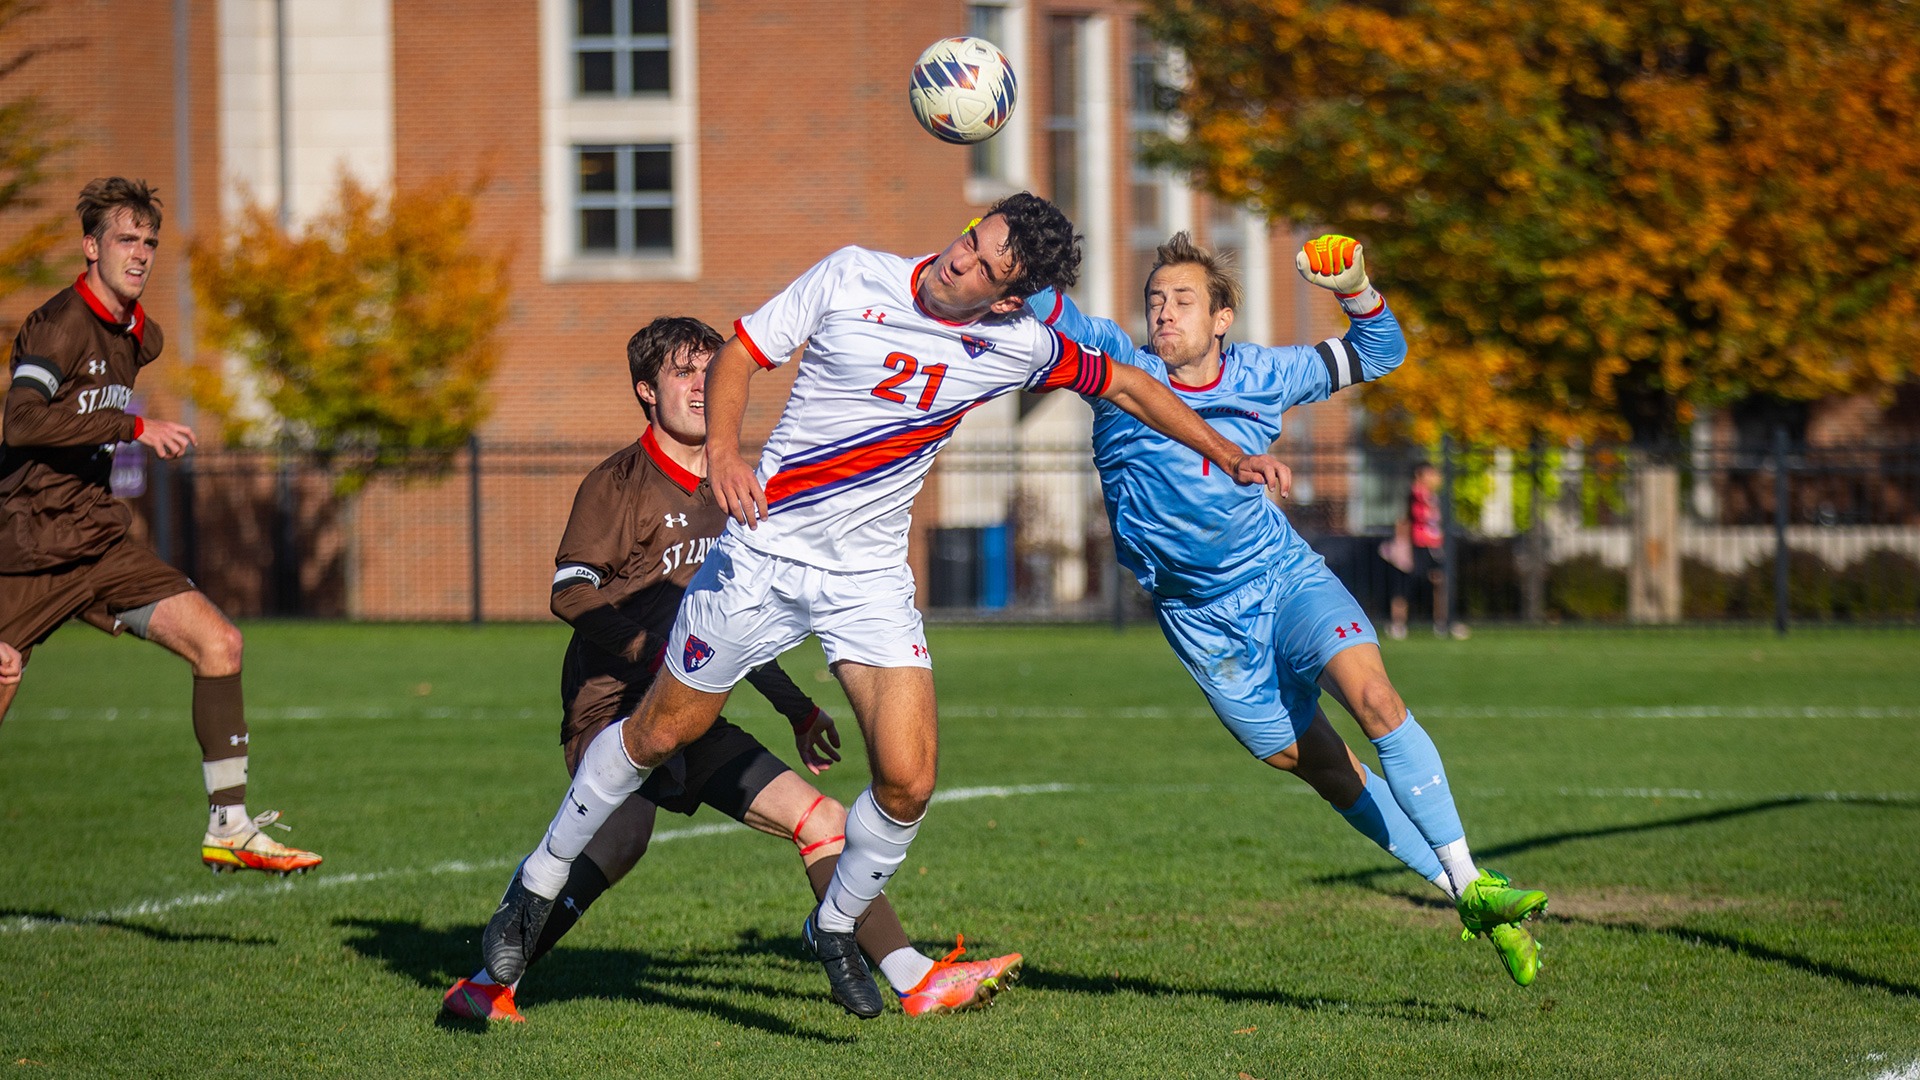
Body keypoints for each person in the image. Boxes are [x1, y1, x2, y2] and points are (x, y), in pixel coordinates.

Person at [478, 193, 1289, 1019]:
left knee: (908, 782)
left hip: (866, 581)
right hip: (764, 557)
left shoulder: (1020, 344)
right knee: (658, 733)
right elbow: (740, 355)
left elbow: (1128, 385)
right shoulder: (852, 275)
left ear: (1007, 299)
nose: (959, 259)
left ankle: (834, 924)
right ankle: (534, 885)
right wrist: (723, 451)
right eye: (970, 238)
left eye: (985, 267)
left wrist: (1228, 453)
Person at [443, 317, 1021, 1023]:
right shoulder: (618, 483)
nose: (700, 385)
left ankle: (915, 980)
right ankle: (486, 984)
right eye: (682, 373)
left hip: (694, 710)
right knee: (621, 839)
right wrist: (649, 651)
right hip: (617, 708)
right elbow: (570, 591)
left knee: (821, 818)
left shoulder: (737, 488)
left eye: (708, 370)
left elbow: (739, 623)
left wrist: (795, 706)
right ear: (645, 391)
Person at [1027, 231, 1547, 985]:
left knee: (1376, 700)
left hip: (1282, 578)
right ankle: (1469, 895)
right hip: (1201, 623)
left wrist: (1357, 288)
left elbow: (1381, 351)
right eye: (1155, 299)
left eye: (1182, 300)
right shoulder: (1118, 366)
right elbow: (1045, 305)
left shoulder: (1265, 373)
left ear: (1222, 318)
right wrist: (1002, 250)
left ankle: (1472, 877)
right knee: (1329, 773)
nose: (1163, 312)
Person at [0, 178, 320, 876]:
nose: (140, 253)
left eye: (149, 241)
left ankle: (229, 825)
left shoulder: (139, 334)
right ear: (90, 248)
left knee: (220, 643)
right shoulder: (59, 325)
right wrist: (132, 426)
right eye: (125, 239)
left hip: (99, 538)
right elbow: (19, 421)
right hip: (31, 545)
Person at [1386, 462, 1461, 639]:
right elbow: (1404, 520)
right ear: (1420, 475)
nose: (1436, 477)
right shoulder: (1413, 495)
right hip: (1416, 544)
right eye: (1431, 474)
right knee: (1405, 584)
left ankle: (1442, 622)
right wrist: (1402, 545)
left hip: (1433, 546)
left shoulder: (1434, 497)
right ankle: (1398, 623)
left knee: (1440, 581)